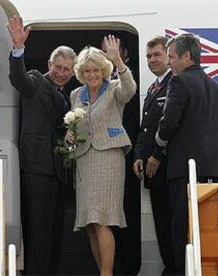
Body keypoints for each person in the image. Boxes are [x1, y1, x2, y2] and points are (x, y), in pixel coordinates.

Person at [7, 15, 76, 275]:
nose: (61, 72)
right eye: (57, 66)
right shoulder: (36, 80)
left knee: (55, 231)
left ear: (73, 71)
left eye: (67, 69)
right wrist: (18, 48)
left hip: (57, 171)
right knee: (38, 231)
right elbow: (18, 79)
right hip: (36, 168)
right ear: (50, 64)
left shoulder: (69, 97)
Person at [156, 33, 218, 275]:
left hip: (186, 172)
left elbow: (168, 125)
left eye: (172, 57)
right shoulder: (216, 88)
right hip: (215, 172)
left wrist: (158, 145)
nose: (169, 63)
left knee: (183, 232)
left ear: (186, 56)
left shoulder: (179, 82)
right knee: (208, 232)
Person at [66, 35, 136, 276]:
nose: (92, 75)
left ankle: (107, 273)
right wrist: (69, 136)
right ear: (81, 73)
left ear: (103, 70)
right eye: (87, 71)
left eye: (96, 70)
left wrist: (119, 62)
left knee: (103, 218)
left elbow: (130, 91)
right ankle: (102, 272)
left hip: (108, 158)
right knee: (90, 223)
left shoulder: (115, 87)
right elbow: (75, 126)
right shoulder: (76, 95)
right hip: (85, 160)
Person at [133, 36, 174, 275]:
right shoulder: (153, 88)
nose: (152, 60)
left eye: (157, 54)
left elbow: (170, 127)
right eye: (148, 56)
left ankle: (174, 269)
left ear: (169, 56)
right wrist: (139, 154)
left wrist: (157, 155)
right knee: (161, 226)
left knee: (170, 227)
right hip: (153, 172)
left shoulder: (174, 84)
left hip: (167, 169)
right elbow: (145, 128)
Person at [101, 33, 141, 275]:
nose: (108, 56)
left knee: (127, 213)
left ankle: (128, 266)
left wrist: (118, 63)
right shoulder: (96, 81)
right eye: (104, 52)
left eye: (113, 51)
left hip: (126, 156)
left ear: (124, 52)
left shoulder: (130, 74)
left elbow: (131, 107)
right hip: (104, 160)